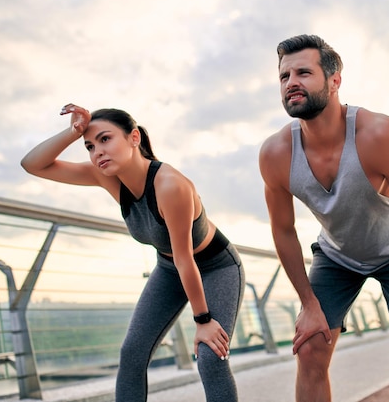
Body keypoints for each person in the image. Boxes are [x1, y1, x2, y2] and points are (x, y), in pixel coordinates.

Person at [258, 34, 389, 401]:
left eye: (303, 72)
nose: (291, 83)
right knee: (310, 347)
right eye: (284, 77)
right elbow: (283, 231)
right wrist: (309, 305)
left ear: (334, 80)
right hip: (336, 257)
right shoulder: (275, 153)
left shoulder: (380, 135)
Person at [21, 104, 245, 402]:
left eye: (105, 139)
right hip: (170, 269)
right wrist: (71, 132)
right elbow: (32, 164)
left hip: (216, 267)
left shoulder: (170, 185)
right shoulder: (108, 178)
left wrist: (203, 321)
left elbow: (185, 257)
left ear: (134, 138)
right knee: (131, 354)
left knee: (210, 356)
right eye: (89, 146)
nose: (97, 151)